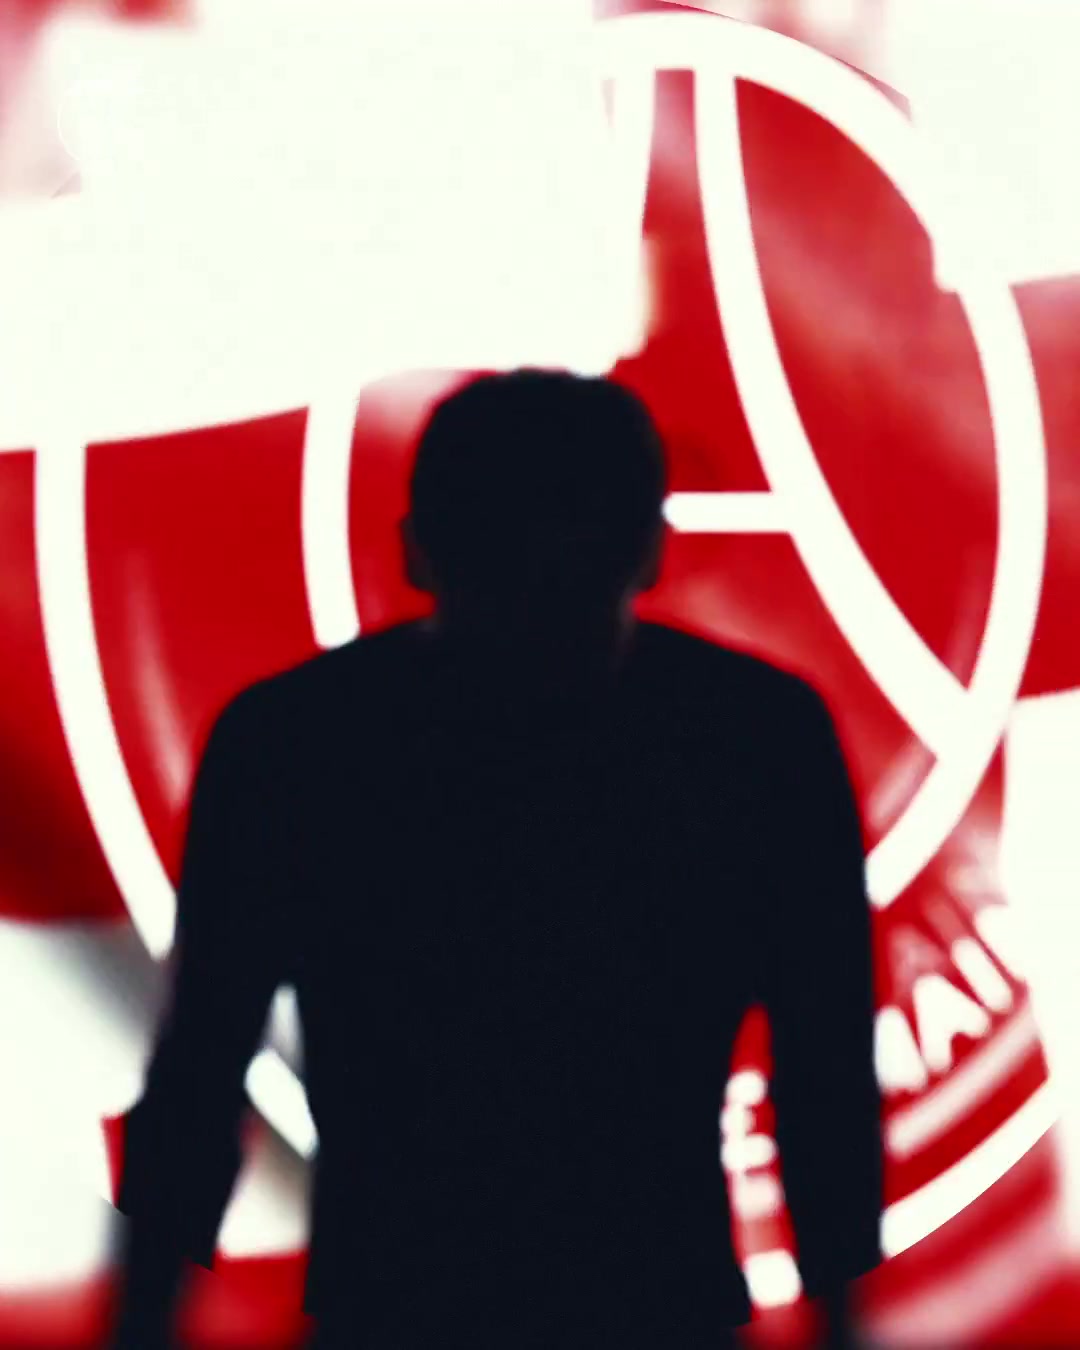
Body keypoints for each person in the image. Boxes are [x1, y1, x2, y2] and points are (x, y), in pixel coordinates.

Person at [110, 369, 883, 1349]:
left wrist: (140, 1321)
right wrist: (843, 1319)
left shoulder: (295, 746)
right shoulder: (758, 741)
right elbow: (825, 1074)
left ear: (418, 550)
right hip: (655, 1303)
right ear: (650, 549)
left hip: (391, 1306)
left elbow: (200, 1072)